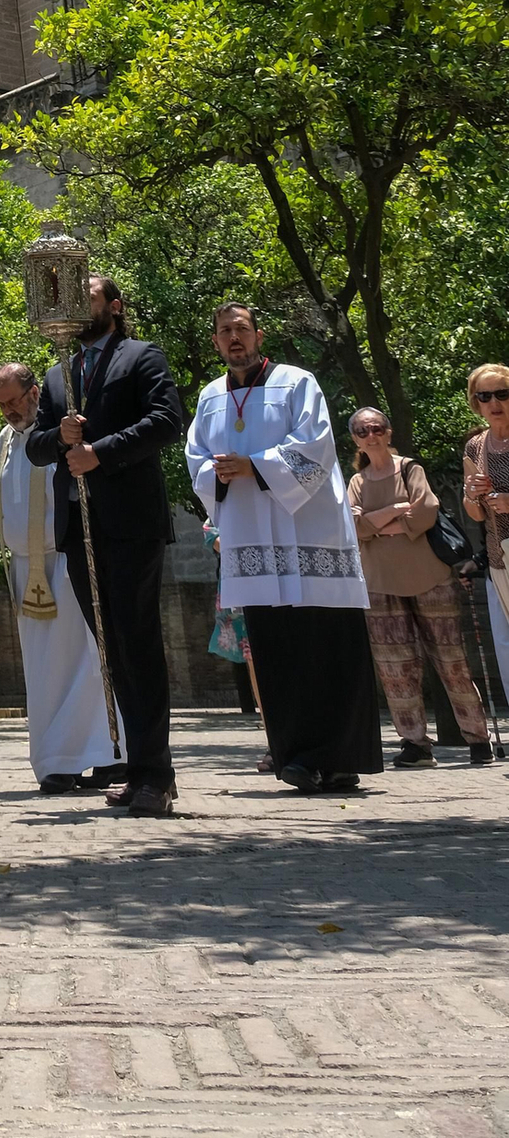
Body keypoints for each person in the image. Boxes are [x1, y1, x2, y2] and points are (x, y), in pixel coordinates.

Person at [187, 303, 381, 793]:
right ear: (214, 341)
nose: (235, 339)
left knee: (327, 644)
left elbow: (315, 445)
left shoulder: (296, 382)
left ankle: (343, 758)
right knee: (277, 649)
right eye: (225, 331)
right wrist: (218, 472)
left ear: (258, 335)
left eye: (243, 330)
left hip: (310, 535)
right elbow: (196, 459)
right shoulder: (210, 397)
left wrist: (255, 467)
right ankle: (295, 756)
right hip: (252, 537)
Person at [27, 274, 184, 815]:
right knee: (112, 651)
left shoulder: (142, 357)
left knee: (137, 646)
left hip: (130, 523)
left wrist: (101, 452)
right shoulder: (57, 375)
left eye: (86, 296)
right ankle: (138, 766)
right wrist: (61, 438)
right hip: (80, 530)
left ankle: (155, 775)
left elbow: (166, 421)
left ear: (114, 307)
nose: (75, 304)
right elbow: (37, 447)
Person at [0, 361, 118, 792]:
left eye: (13, 401)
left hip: (63, 559)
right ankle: (54, 759)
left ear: (34, 394)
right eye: (1, 404)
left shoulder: (56, 439)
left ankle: (103, 755)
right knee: (43, 667)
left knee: (83, 659)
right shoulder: (6, 440)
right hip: (25, 567)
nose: (9, 411)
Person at [347, 405, 490, 768]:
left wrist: (376, 525)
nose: (371, 435)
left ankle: (478, 739)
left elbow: (425, 511)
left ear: (389, 432)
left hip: (430, 578)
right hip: (380, 583)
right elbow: (353, 526)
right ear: (355, 440)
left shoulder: (411, 468)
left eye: (377, 428)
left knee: (451, 660)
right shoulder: (356, 482)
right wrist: (397, 511)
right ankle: (415, 744)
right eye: (362, 431)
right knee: (395, 668)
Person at [461, 362, 509, 710]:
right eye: (485, 395)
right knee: (506, 650)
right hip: (499, 559)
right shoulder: (475, 447)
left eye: (503, 393)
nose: (495, 402)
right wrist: (471, 494)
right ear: (475, 402)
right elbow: (476, 513)